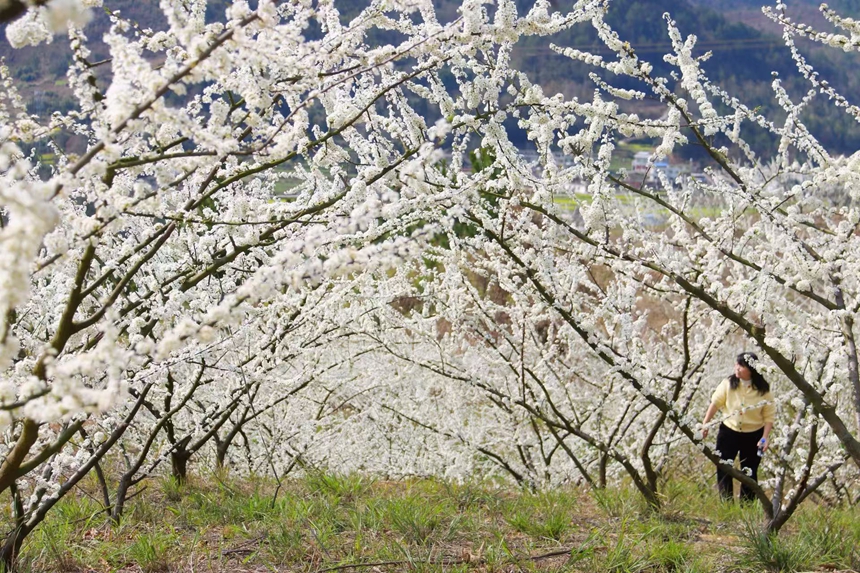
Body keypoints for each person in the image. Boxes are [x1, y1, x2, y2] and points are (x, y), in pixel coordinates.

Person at [701, 352, 775, 501]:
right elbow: (715, 403)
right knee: (723, 467)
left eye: (741, 366)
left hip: (753, 435)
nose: (737, 368)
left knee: (749, 472)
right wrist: (705, 424)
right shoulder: (728, 383)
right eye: (737, 364)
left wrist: (765, 437)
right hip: (729, 432)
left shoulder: (763, 390)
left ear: (751, 369)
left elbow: (769, 416)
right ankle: (726, 503)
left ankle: (746, 507)